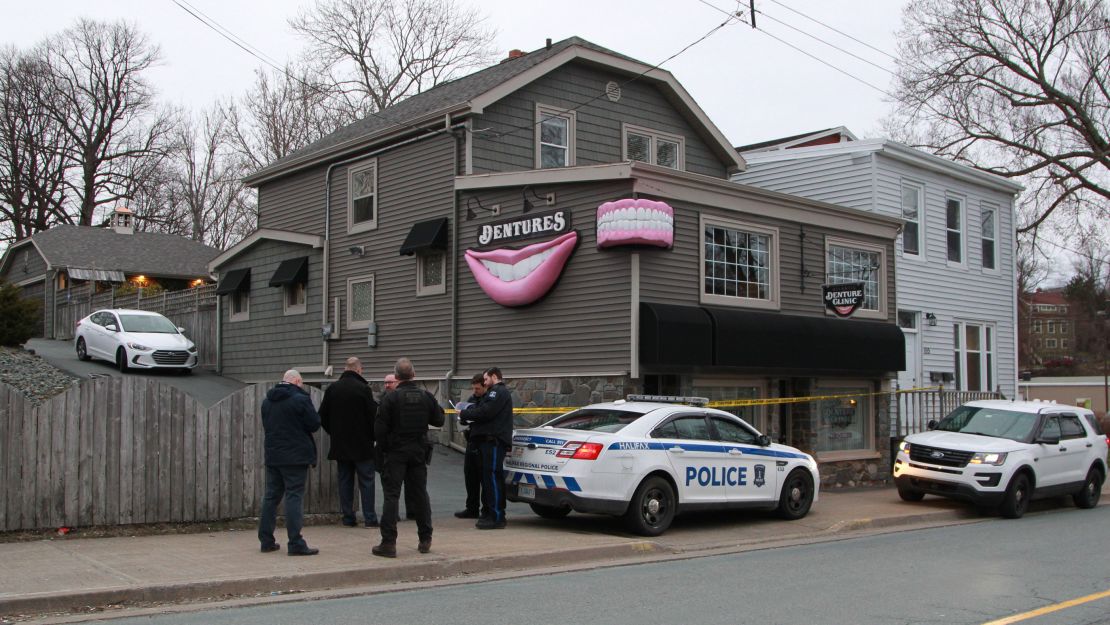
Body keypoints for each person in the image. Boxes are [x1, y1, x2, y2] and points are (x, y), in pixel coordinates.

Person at [372, 358, 445, 557]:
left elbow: (379, 430)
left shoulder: (391, 398)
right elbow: (439, 419)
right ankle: (425, 538)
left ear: (396, 377)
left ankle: (388, 543)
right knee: (420, 494)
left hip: (396, 452)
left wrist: (386, 448)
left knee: (391, 495)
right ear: (413, 374)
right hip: (418, 452)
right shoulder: (426, 397)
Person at [258, 369, 321, 556]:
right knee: (294, 496)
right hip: (296, 456)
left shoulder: (267, 401)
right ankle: (295, 542)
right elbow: (314, 424)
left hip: (274, 455)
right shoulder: (300, 399)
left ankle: (266, 540)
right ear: (297, 381)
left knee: (271, 496)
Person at [319, 357, 379, 528]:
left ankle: (348, 517)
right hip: (362, 444)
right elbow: (373, 416)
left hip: (341, 444)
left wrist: (335, 432)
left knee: (345, 480)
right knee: (366, 481)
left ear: (345, 369)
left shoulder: (333, 389)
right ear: (359, 370)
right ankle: (370, 518)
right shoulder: (363, 389)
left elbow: (322, 416)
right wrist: (372, 436)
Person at [459, 366, 514, 530]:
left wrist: (464, 414)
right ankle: (489, 513)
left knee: (493, 477)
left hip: (494, 442)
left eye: (485, 379)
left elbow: (485, 412)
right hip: (486, 441)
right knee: (488, 479)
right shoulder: (492, 393)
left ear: (494, 377)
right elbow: (481, 410)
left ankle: (496, 516)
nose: (484, 382)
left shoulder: (497, 392)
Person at [384, 373, 419, 521]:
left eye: (390, 382)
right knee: (393, 487)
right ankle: (394, 516)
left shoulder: (391, 400)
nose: (387, 385)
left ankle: (412, 512)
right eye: (385, 383)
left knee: (412, 485)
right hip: (400, 448)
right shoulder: (384, 399)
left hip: (403, 449)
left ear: (398, 381)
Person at [454, 373, 487, 519]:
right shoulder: (472, 399)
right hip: (472, 439)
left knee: (484, 477)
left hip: (484, 442)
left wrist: (470, 415)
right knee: (470, 476)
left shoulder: (488, 400)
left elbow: (484, 416)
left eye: (478, 388)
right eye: (474, 388)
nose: (475, 391)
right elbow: (464, 418)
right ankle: (471, 507)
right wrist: (463, 417)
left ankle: (486, 508)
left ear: (484, 386)